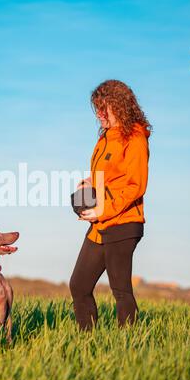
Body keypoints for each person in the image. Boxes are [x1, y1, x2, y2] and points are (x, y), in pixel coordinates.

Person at [69, 79, 152, 331]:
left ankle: (128, 346)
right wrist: (88, 183)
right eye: (97, 108)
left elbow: (135, 185)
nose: (99, 114)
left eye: (104, 108)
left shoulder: (135, 137)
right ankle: (87, 342)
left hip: (124, 223)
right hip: (100, 224)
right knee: (79, 285)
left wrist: (102, 209)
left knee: (121, 291)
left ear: (120, 106)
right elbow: (107, 175)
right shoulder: (105, 138)